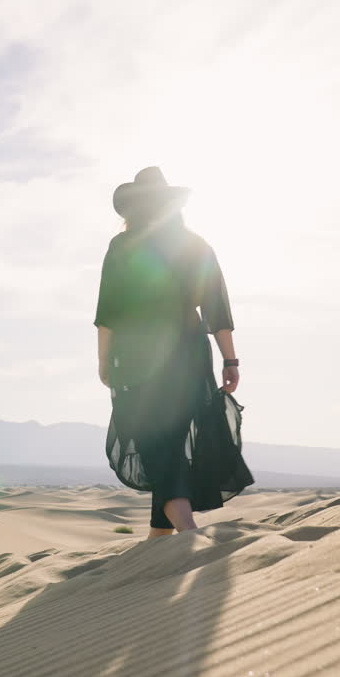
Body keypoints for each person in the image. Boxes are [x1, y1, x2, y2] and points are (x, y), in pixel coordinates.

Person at [94, 166, 254, 538]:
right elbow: (217, 309)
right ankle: (159, 542)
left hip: (137, 354)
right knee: (169, 445)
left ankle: (188, 531)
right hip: (189, 353)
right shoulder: (195, 245)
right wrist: (230, 360)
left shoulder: (124, 246)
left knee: (155, 445)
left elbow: (108, 312)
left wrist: (103, 360)